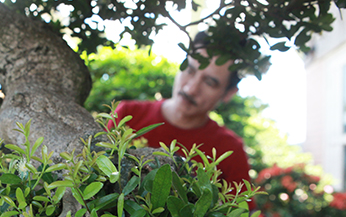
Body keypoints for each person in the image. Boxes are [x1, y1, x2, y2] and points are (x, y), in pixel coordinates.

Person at [108, 31, 251, 193]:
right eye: (189, 70)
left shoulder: (230, 150)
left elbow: (242, 214)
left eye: (210, 83)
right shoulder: (127, 115)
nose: (191, 89)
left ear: (229, 93)